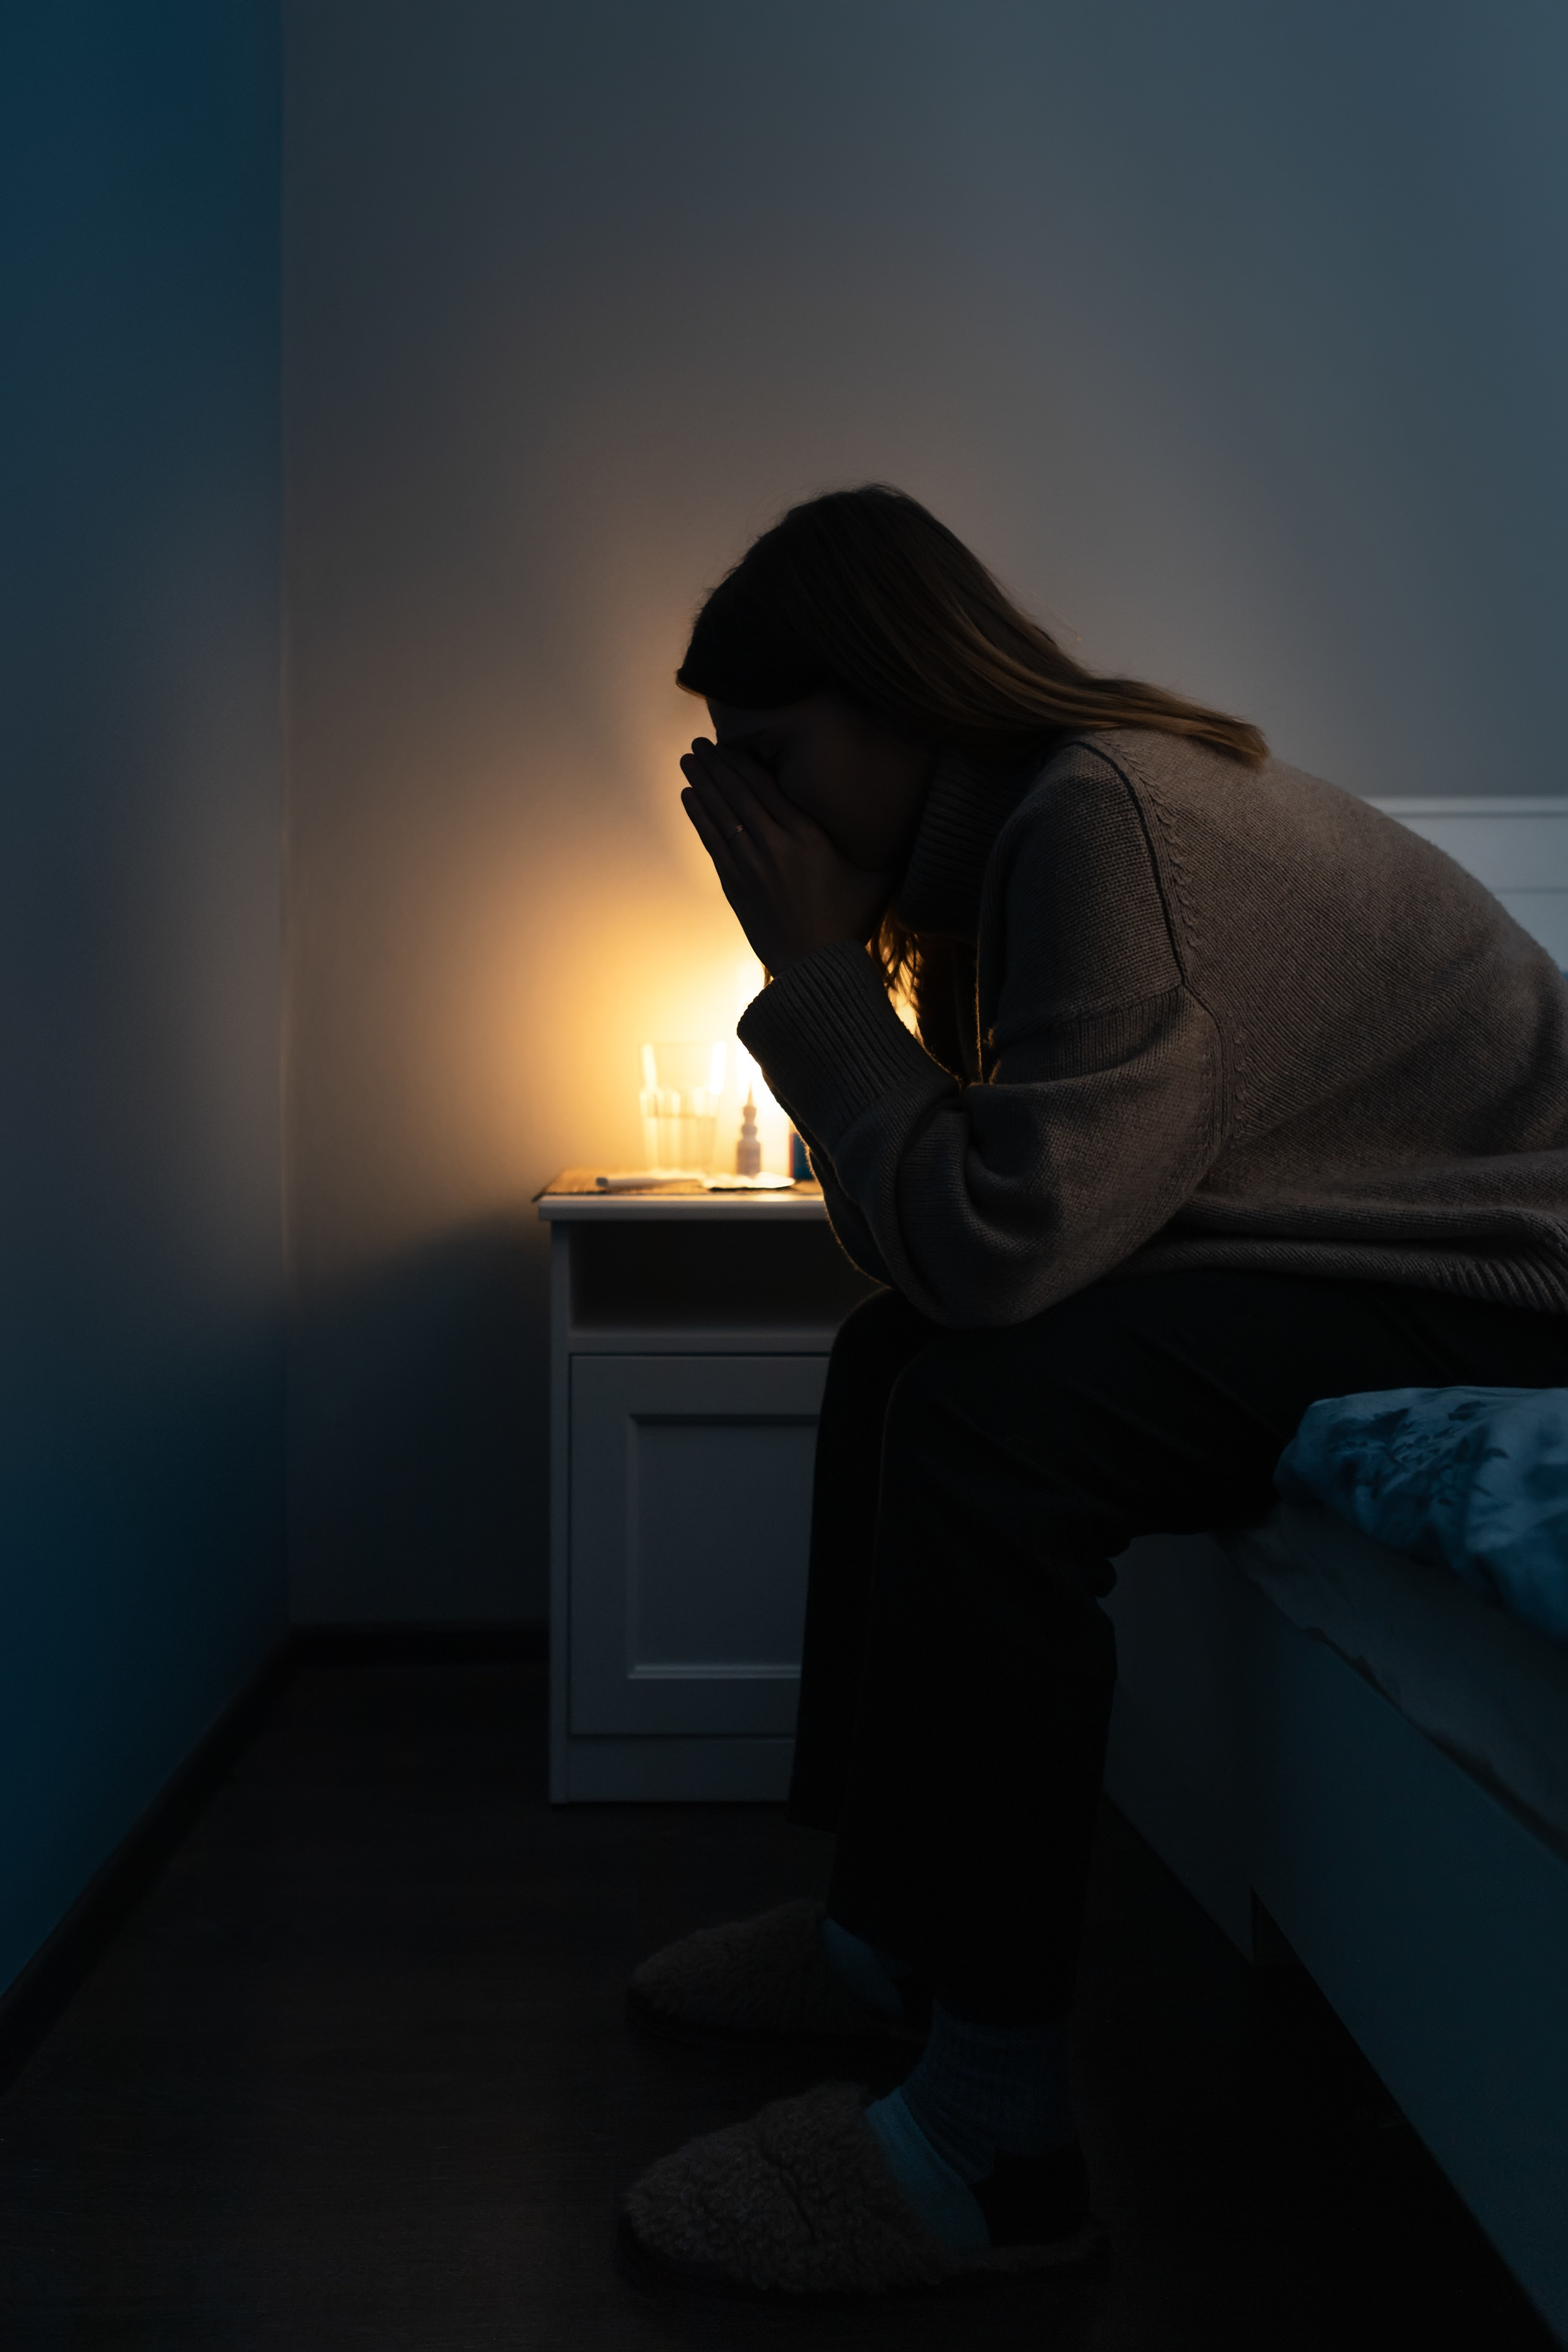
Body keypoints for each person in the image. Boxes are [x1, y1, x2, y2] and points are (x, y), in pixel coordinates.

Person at [617, 486, 1568, 2297]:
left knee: (989, 1422)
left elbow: (993, 1243)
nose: (750, 819)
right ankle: (884, 1942)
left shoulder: (1104, 824)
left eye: (773, 760)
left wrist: (815, 979)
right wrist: (852, 983)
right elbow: (957, 1261)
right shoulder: (1004, 851)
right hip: (1345, 1246)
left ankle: (995, 2142)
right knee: (906, 1364)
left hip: (1508, 1283)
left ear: (900, 699)